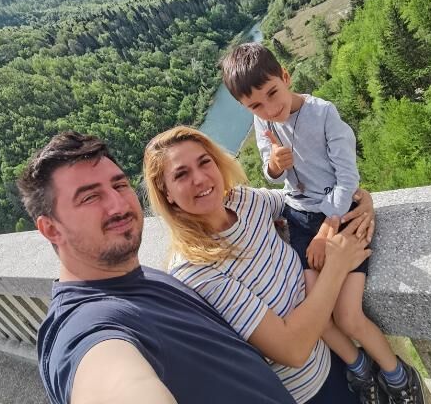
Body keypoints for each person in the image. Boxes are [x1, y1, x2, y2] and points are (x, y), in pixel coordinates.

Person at [18, 130, 305, 404]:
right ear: (51, 229)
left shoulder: (141, 277)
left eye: (119, 185)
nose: (118, 205)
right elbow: (114, 380)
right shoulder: (85, 327)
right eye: (90, 197)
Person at [220, 42, 425, 404]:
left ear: (285, 77)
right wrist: (274, 166)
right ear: (245, 107)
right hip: (299, 217)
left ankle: (397, 375)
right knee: (317, 315)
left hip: (340, 215)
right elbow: (269, 173)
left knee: (347, 316)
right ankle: (360, 367)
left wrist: (329, 227)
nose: (269, 109)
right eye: (255, 105)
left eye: (272, 93)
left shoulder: (323, 113)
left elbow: (348, 177)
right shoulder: (263, 121)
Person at [144, 125, 376, 404]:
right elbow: (292, 349)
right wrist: (337, 266)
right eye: (181, 174)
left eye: (204, 162)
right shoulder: (195, 269)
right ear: (167, 193)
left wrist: (358, 200)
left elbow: (304, 204)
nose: (200, 178)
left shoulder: (243, 201)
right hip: (308, 392)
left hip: (336, 355)